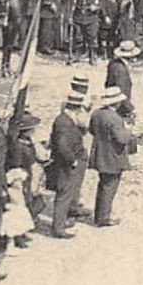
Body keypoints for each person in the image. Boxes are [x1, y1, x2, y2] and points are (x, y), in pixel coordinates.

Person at [47, 80, 90, 238]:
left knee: (68, 192)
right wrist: (73, 161)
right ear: (76, 108)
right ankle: (58, 228)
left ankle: (62, 221)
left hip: (70, 161)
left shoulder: (65, 119)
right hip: (66, 164)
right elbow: (62, 146)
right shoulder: (64, 123)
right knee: (64, 194)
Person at [88, 86, 132, 228]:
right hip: (112, 157)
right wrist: (129, 130)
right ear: (117, 103)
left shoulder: (96, 114)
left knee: (103, 185)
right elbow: (122, 139)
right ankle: (103, 218)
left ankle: (99, 214)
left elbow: (91, 130)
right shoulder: (115, 119)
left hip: (100, 153)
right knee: (110, 186)